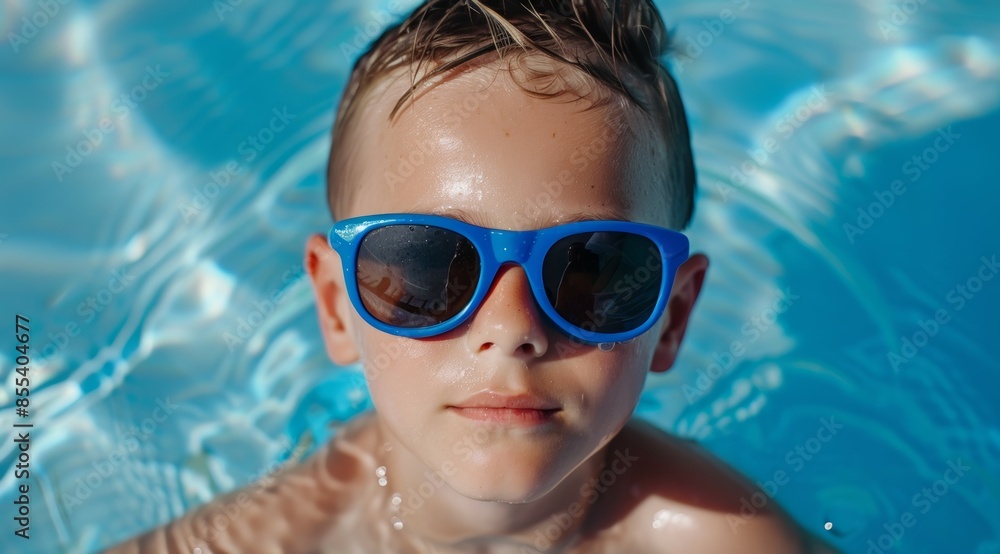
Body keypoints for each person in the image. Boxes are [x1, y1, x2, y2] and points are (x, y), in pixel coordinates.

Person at [107, 0, 839, 551]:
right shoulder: (274, 535)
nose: (513, 329)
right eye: (428, 264)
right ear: (335, 305)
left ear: (672, 316)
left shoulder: (717, 534)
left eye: (592, 268)